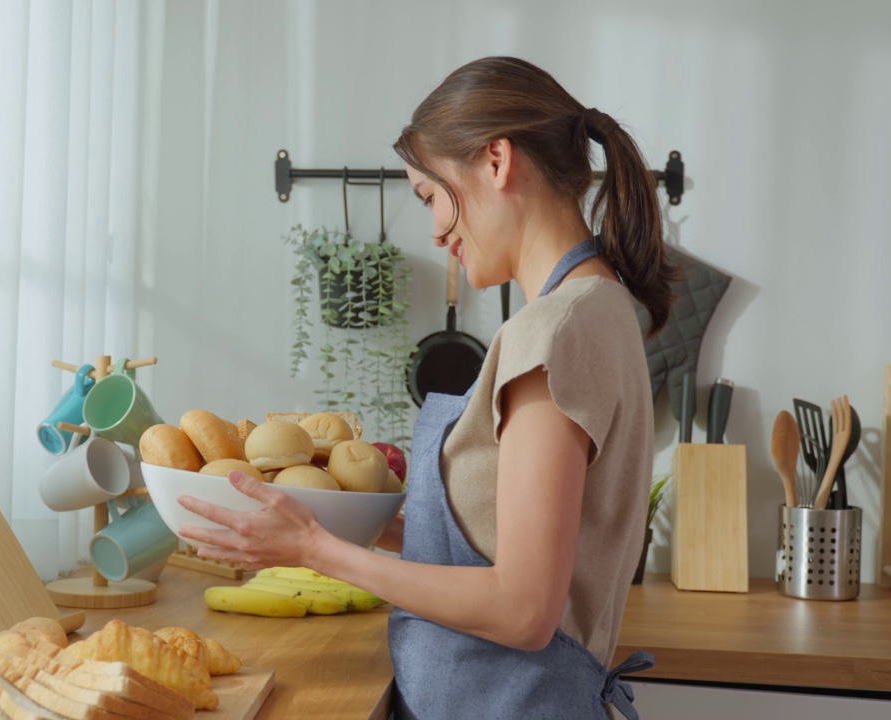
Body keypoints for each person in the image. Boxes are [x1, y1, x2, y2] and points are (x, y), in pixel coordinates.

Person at [177, 56, 677, 719]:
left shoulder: (553, 333)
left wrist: (316, 552)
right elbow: (494, 544)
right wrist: (341, 521)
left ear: (496, 162)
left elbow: (525, 611)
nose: (437, 230)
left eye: (430, 196)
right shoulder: (599, 308)